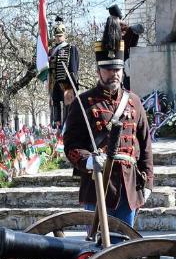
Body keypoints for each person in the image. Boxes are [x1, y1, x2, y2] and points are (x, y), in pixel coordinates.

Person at [63, 15, 154, 227]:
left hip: (130, 186)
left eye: (117, 69)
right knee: (98, 251)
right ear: (98, 71)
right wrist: (88, 160)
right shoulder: (82, 102)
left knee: (125, 248)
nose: (114, 74)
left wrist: (148, 182)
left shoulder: (134, 102)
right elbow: (71, 145)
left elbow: (146, 145)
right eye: (108, 69)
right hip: (97, 186)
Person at [49, 17, 80, 127]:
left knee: (68, 107)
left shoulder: (71, 48)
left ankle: (68, 125)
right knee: (55, 105)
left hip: (67, 84)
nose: (58, 38)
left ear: (64, 35)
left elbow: (74, 67)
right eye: (56, 36)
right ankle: (57, 126)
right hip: (54, 83)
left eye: (60, 36)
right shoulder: (51, 51)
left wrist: (74, 85)